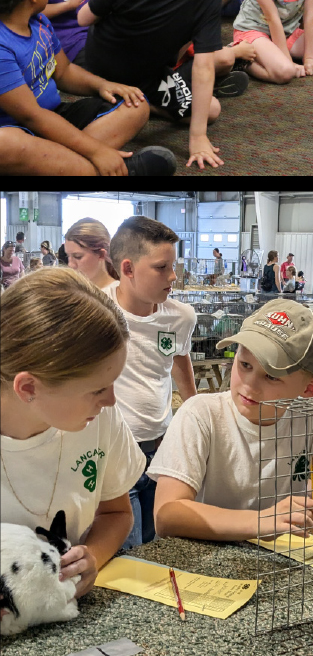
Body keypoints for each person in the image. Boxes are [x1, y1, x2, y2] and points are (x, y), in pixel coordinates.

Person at [148, 299, 313, 570]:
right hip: (199, 564)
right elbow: (168, 514)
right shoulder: (200, 414)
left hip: (275, 561)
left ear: (309, 389)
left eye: (271, 377)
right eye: (244, 364)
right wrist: (260, 522)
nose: (249, 385)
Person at [0, 269, 144, 602]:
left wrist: (92, 555)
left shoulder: (100, 418)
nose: (110, 400)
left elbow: (116, 512)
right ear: (28, 387)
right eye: (97, 389)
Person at [77, 0, 255, 171]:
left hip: (99, 68)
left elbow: (84, 18)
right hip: (135, 75)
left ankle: (138, 101)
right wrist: (198, 137)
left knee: (211, 91)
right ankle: (149, 103)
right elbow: (204, 66)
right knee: (212, 109)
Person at [0, 0, 176, 176]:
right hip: (17, 128)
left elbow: (63, 71)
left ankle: (58, 165)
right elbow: (31, 116)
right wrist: (95, 151)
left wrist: (103, 85)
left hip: (52, 116)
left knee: (136, 104)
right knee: (6, 145)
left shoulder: (38, 20)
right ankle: (111, 171)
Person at [100, 216, 198, 550]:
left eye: (174, 266)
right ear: (127, 268)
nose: (173, 277)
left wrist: (194, 414)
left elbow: (180, 364)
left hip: (162, 449)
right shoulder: (97, 311)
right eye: (161, 267)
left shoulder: (180, 317)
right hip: (115, 450)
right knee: (126, 553)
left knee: (160, 545)